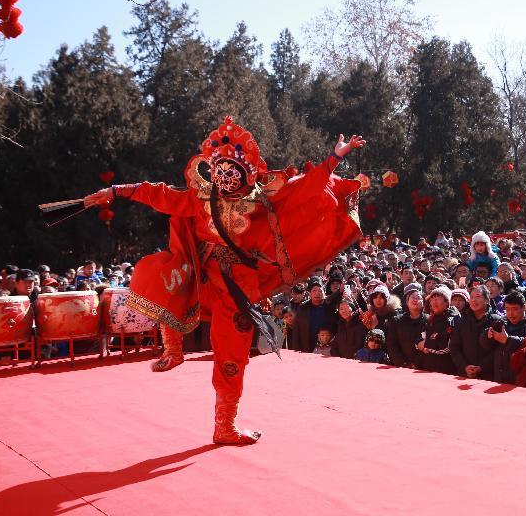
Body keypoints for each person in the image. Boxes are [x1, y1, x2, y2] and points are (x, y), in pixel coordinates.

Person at [84, 115, 365, 444]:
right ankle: (173, 349)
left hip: (237, 288)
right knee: (158, 273)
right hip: (202, 276)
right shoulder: (200, 199)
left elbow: (304, 188)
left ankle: (225, 425)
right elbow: (158, 194)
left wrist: (334, 157)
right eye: (221, 171)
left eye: (233, 172)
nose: (226, 178)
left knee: (232, 352)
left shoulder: (262, 200)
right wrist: (115, 191)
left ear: (247, 173)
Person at [480, 290, 526, 384]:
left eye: (514, 309)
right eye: (507, 309)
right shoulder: (501, 322)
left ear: (524, 307)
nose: (510, 313)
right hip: (500, 377)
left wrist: (508, 340)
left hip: (521, 379)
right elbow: (485, 345)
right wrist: (487, 335)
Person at [450, 285, 495, 380]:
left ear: (487, 300)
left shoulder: (495, 321)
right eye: (472, 297)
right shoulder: (461, 322)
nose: (474, 300)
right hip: (464, 374)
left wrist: (482, 367)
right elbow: (454, 348)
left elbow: (498, 350)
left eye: (478, 296)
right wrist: (465, 366)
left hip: (489, 375)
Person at [417, 286, 457, 374]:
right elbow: (419, 338)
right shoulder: (430, 319)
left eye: (438, 298)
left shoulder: (452, 319)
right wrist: (419, 343)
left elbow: (445, 345)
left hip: (445, 368)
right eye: (432, 298)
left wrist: (426, 344)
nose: (434, 301)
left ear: (447, 302)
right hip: (428, 366)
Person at [387, 283, 426, 368]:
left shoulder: (429, 320)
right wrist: (403, 363)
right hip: (402, 367)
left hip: (424, 366)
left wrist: (416, 364)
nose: (415, 300)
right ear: (407, 302)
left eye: (418, 297)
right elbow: (392, 345)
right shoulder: (397, 321)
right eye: (412, 297)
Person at [292, 279, 337, 353]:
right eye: (314, 291)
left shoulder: (330, 307)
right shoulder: (302, 308)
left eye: (320, 291)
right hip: (307, 347)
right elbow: (297, 331)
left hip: (327, 349)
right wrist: (296, 350)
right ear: (309, 293)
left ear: (324, 293)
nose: (317, 293)